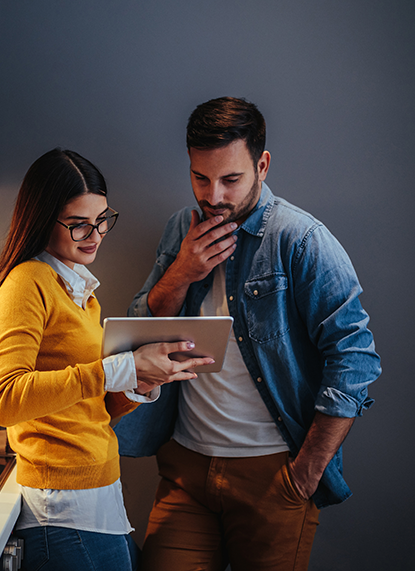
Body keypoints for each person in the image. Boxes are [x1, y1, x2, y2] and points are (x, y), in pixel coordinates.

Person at [114, 97, 382, 571]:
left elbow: (355, 357)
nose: (213, 195)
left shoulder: (300, 239)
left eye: (230, 179)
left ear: (262, 165)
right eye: (200, 177)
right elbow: (142, 330)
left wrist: (307, 471)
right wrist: (180, 272)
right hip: (185, 469)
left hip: (274, 474)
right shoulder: (182, 226)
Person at [0, 148, 213, 571]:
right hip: (62, 507)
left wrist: (139, 383)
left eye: (102, 220)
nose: (96, 234)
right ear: (41, 219)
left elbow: (88, 407)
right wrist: (119, 369)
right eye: (79, 224)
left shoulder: (79, 293)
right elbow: (6, 399)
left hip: (95, 496)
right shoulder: (27, 283)